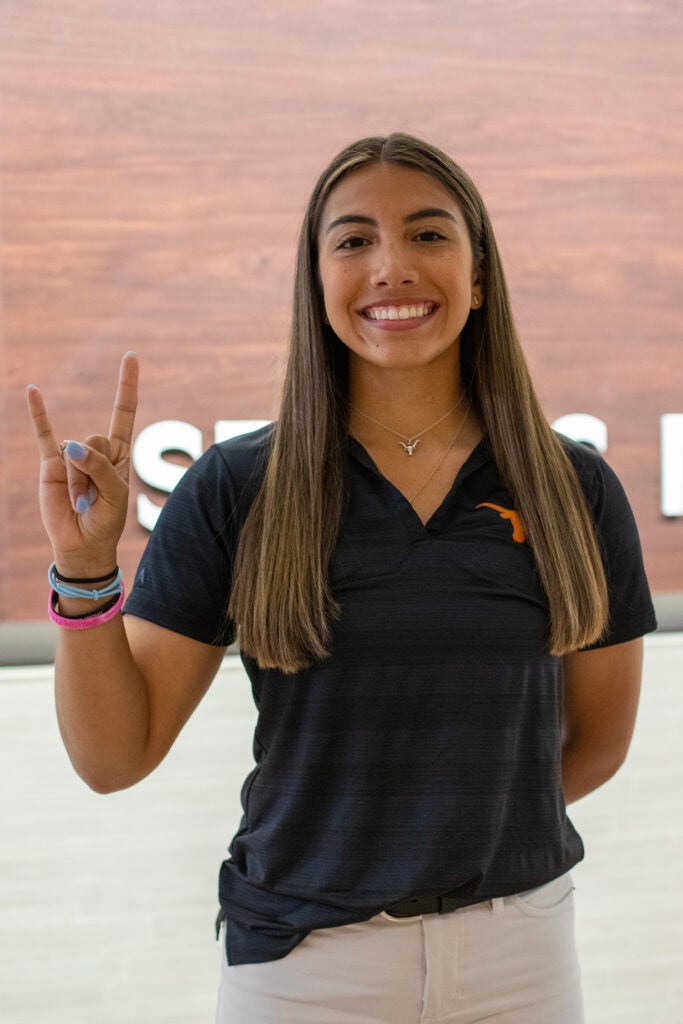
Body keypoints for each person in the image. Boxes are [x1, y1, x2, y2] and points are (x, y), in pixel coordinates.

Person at [27, 133, 657, 1024]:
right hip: (304, 970)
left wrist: (453, 821)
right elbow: (111, 757)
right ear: (316, 283)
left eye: (429, 235)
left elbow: (595, 742)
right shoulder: (237, 488)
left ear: (479, 279)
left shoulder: (571, 489)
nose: (391, 267)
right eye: (353, 240)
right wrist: (87, 573)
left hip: (520, 958)